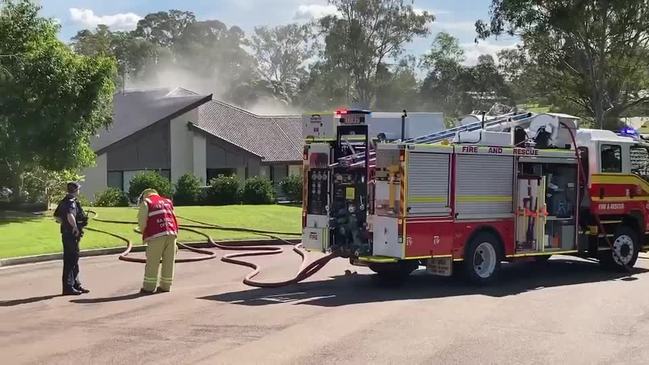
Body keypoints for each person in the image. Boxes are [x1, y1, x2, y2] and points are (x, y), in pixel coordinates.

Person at [137, 188, 178, 294]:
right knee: (169, 261)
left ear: (145, 195)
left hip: (156, 234)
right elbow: (173, 217)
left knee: (153, 261)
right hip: (172, 233)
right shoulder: (167, 201)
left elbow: (142, 220)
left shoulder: (147, 202)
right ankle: (166, 286)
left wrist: (142, 230)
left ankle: (149, 287)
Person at [54, 182, 89, 296]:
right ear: (75, 190)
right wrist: (74, 227)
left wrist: (64, 224)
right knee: (70, 260)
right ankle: (68, 287)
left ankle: (75, 284)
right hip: (71, 235)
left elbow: (57, 216)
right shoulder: (70, 202)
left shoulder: (64, 201)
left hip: (67, 233)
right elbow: (70, 215)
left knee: (74, 260)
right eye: (78, 189)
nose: (79, 191)